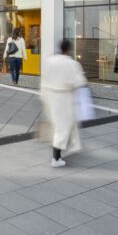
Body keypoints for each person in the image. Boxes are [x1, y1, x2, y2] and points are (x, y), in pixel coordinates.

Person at [41, 38, 87, 167]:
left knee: (58, 125)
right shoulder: (71, 64)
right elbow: (79, 81)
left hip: (50, 96)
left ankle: (68, 146)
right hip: (64, 98)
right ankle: (56, 158)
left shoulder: (50, 61)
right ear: (69, 49)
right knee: (63, 127)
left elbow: (44, 78)